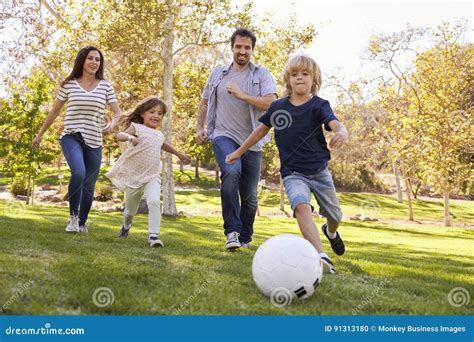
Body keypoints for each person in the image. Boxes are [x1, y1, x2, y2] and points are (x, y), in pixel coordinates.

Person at [226, 54, 348, 273]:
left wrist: (342, 131)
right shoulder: (278, 106)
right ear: (288, 80)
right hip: (293, 173)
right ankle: (321, 255)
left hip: (319, 171)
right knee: (301, 206)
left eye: (305, 74)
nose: (299, 78)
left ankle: (330, 232)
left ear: (314, 80)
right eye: (294, 74)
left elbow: (335, 124)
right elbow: (259, 132)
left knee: (335, 216)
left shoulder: (319, 105)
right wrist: (238, 152)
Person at [196, 28, 278, 250]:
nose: (242, 51)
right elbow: (204, 102)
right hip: (223, 135)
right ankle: (231, 232)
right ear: (232, 47)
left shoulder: (261, 74)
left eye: (247, 47)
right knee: (231, 173)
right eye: (238, 47)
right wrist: (199, 127)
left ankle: (245, 237)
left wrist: (243, 95)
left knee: (250, 196)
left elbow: (271, 104)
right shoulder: (218, 74)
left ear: (252, 49)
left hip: (252, 139)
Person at [32, 46, 122, 233]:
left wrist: (111, 125)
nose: (94, 63)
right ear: (82, 60)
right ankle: (72, 218)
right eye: (90, 58)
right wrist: (40, 134)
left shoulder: (105, 86)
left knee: (89, 184)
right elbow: (55, 111)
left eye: (97, 60)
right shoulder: (69, 84)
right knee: (79, 172)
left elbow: (118, 112)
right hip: (71, 136)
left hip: (95, 139)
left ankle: (82, 223)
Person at [106, 96, 191, 248]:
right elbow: (119, 136)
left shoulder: (159, 134)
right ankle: (126, 227)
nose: (156, 116)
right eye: (152, 112)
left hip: (152, 176)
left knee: (153, 202)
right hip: (134, 177)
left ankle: (153, 237)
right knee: (130, 211)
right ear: (143, 114)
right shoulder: (136, 127)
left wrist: (180, 155)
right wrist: (129, 136)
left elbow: (164, 145)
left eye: (160, 113)